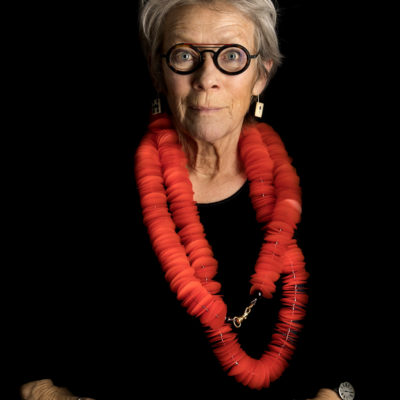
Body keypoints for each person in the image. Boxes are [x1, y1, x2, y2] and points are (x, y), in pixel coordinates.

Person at [18, 1, 360, 399]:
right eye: (185, 55)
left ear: (261, 75)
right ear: (158, 72)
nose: (206, 78)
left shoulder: (324, 188)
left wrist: (337, 393)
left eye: (231, 56)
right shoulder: (82, 192)